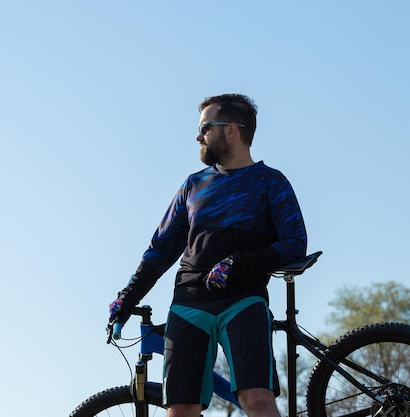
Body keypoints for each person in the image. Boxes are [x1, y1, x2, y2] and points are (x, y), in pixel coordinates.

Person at [108, 93, 307, 417]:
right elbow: (161, 249)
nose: (198, 136)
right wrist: (127, 297)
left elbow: (294, 243)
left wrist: (238, 263)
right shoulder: (193, 185)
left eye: (205, 128)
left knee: (256, 398)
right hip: (189, 304)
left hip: (244, 300)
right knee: (181, 409)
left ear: (231, 130)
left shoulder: (271, 182)